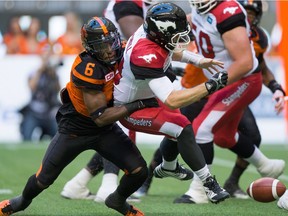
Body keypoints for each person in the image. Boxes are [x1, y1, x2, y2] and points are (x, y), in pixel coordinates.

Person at [61, 1, 231, 205]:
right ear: (162, 32)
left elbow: (168, 49)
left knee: (179, 121)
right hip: (132, 108)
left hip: (144, 95)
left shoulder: (148, 30)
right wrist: (210, 86)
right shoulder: (145, 53)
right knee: (183, 127)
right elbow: (171, 99)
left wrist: (196, 60)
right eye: (175, 35)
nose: (180, 39)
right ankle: (209, 184)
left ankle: (168, 166)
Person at [0, 16, 161, 216]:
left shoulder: (123, 49)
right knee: (43, 179)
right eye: (102, 46)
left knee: (139, 171)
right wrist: (139, 104)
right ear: (91, 48)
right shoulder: (88, 67)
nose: (110, 49)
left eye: (111, 42)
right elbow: (100, 116)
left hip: (105, 130)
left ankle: (118, 201)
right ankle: (20, 202)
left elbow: (148, 56)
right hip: (77, 128)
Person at [172, 0, 286, 204]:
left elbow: (246, 62)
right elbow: (195, 22)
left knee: (201, 129)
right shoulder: (200, 10)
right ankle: (267, 166)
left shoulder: (228, 12)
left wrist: (212, 85)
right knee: (224, 136)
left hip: (242, 80)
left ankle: (201, 190)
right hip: (227, 81)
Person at [61, 0, 163, 202]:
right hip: (114, 65)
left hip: (119, 63)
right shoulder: (128, 4)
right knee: (119, 131)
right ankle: (108, 186)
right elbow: (136, 34)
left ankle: (78, 183)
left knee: (116, 132)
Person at [19, 48, 61, 141]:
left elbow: (58, 89)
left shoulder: (54, 74)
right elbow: (32, 87)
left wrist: (53, 73)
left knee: (58, 138)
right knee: (26, 137)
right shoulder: (34, 72)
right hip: (34, 112)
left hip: (49, 113)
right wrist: (40, 70)